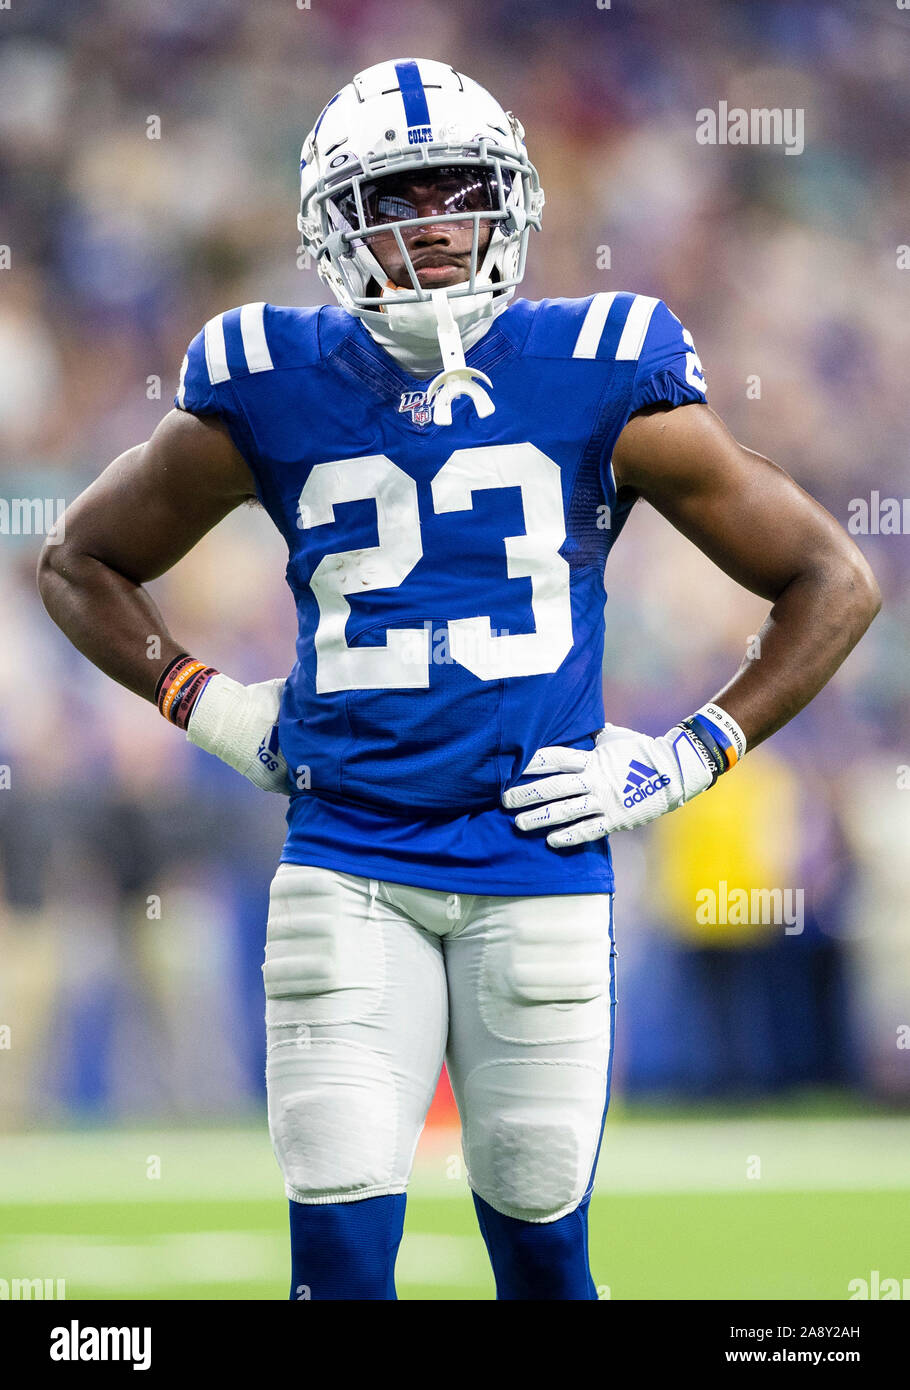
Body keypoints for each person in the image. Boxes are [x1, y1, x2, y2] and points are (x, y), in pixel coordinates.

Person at [38, 58, 880, 1301]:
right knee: (335, 1253)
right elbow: (79, 560)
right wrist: (207, 704)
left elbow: (831, 578)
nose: (432, 221)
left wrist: (687, 750)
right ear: (334, 223)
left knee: (543, 1251)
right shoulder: (265, 379)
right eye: (396, 195)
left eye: (457, 191)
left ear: (511, 205)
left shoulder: (602, 364)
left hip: (538, 854)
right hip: (347, 854)